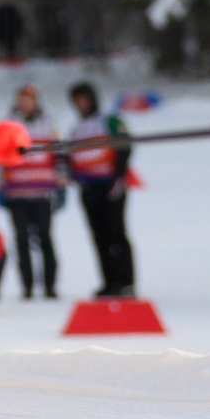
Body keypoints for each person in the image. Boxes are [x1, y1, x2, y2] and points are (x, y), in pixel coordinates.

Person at [65, 82, 137, 298]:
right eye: (77, 101)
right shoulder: (76, 129)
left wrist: (119, 176)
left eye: (85, 99)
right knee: (99, 238)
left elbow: (125, 146)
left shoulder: (110, 121)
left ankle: (126, 282)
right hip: (89, 189)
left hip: (110, 186)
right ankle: (108, 282)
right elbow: (71, 159)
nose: (82, 104)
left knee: (116, 234)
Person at [0, 83, 63, 300]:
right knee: (21, 240)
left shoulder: (48, 125)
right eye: (22, 99)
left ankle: (50, 286)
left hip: (42, 191)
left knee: (45, 238)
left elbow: (59, 155)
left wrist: (60, 184)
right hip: (17, 193)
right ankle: (28, 286)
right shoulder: (8, 127)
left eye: (29, 99)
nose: (25, 104)